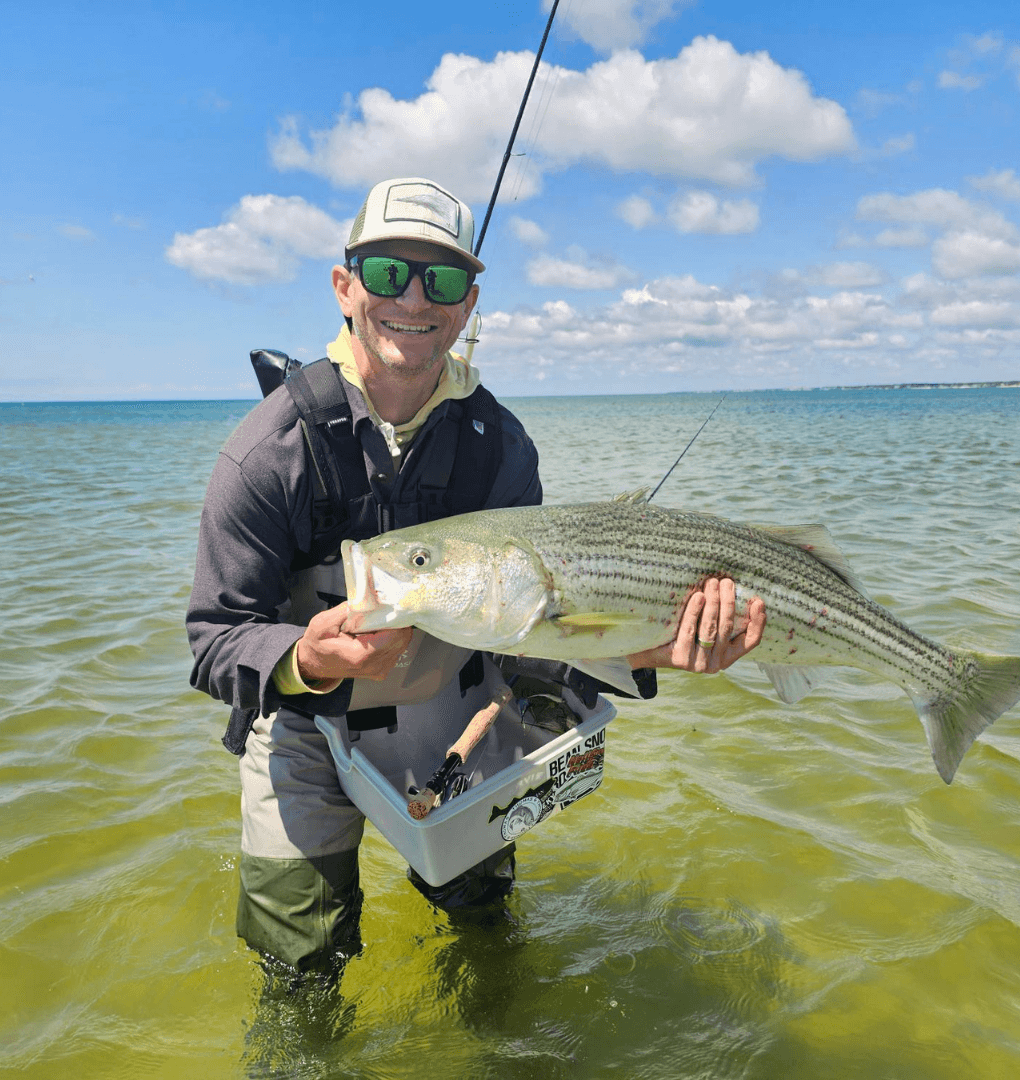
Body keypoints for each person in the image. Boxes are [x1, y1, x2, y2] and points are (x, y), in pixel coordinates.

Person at [186, 176, 766, 973]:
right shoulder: (268, 451)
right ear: (345, 286)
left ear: (467, 306)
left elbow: (527, 636)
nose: (414, 298)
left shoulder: (502, 448)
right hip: (301, 725)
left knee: (487, 937)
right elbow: (216, 637)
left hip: (454, 713)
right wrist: (305, 660)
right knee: (298, 965)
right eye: (388, 271)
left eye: (443, 279)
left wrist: (639, 650)